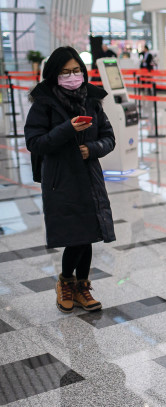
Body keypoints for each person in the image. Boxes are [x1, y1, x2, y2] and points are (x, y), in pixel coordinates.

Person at [24, 46, 116, 314]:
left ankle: (81, 287)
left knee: (88, 234)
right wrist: (67, 129)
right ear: (54, 75)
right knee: (75, 235)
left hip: (88, 176)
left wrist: (91, 149)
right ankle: (66, 283)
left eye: (76, 70)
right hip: (60, 179)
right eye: (65, 72)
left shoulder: (91, 100)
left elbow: (109, 137)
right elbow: (34, 142)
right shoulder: (44, 103)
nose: (72, 76)